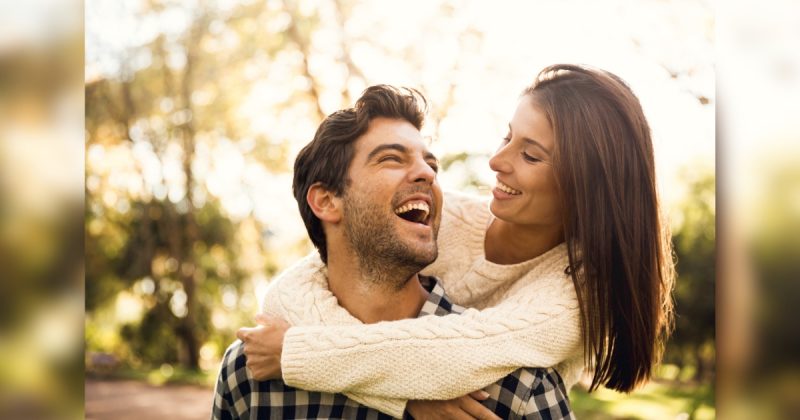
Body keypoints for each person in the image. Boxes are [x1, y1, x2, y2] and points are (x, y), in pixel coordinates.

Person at [239, 64, 675, 418]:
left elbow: (456, 357)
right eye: (508, 137)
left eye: (530, 154)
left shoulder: (572, 296)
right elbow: (298, 284)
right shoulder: (440, 219)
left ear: (584, 189)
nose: (496, 161)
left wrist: (296, 355)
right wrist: (404, 397)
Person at [214, 84, 575, 419]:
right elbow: (290, 286)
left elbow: (484, 345)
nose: (428, 174)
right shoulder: (250, 375)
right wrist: (402, 397)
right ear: (326, 201)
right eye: (392, 159)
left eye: (431, 165)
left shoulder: (518, 390)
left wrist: (298, 356)